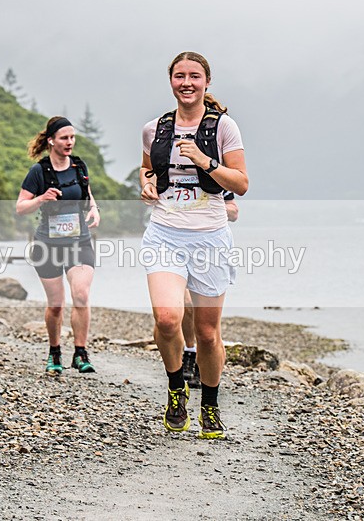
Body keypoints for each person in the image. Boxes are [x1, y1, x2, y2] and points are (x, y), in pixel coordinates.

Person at [139, 52, 248, 439]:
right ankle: (175, 389)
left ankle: (211, 405)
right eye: (180, 76)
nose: (187, 82)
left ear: (206, 82)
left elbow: (241, 183)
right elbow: (148, 167)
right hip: (165, 232)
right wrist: (148, 185)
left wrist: (205, 161)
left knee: (206, 332)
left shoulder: (223, 128)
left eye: (195, 76)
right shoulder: (156, 128)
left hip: (209, 237)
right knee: (168, 320)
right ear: (171, 81)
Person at [16, 116, 100, 374]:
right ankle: (54, 352)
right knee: (56, 304)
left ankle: (80, 352)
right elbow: (20, 207)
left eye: (72, 137)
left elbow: (87, 194)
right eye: (64, 138)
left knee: (81, 295)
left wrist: (95, 210)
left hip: (79, 240)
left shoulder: (78, 166)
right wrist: (41, 198)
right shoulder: (38, 171)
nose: (70, 142)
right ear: (51, 140)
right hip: (47, 244)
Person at [182, 190, 239, 388]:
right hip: (175, 243)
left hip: (210, 247)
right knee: (186, 304)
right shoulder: (170, 167)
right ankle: (189, 352)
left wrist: (207, 209)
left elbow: (233, 212)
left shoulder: (215, 170)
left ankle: (207, 369)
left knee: (209, 325)